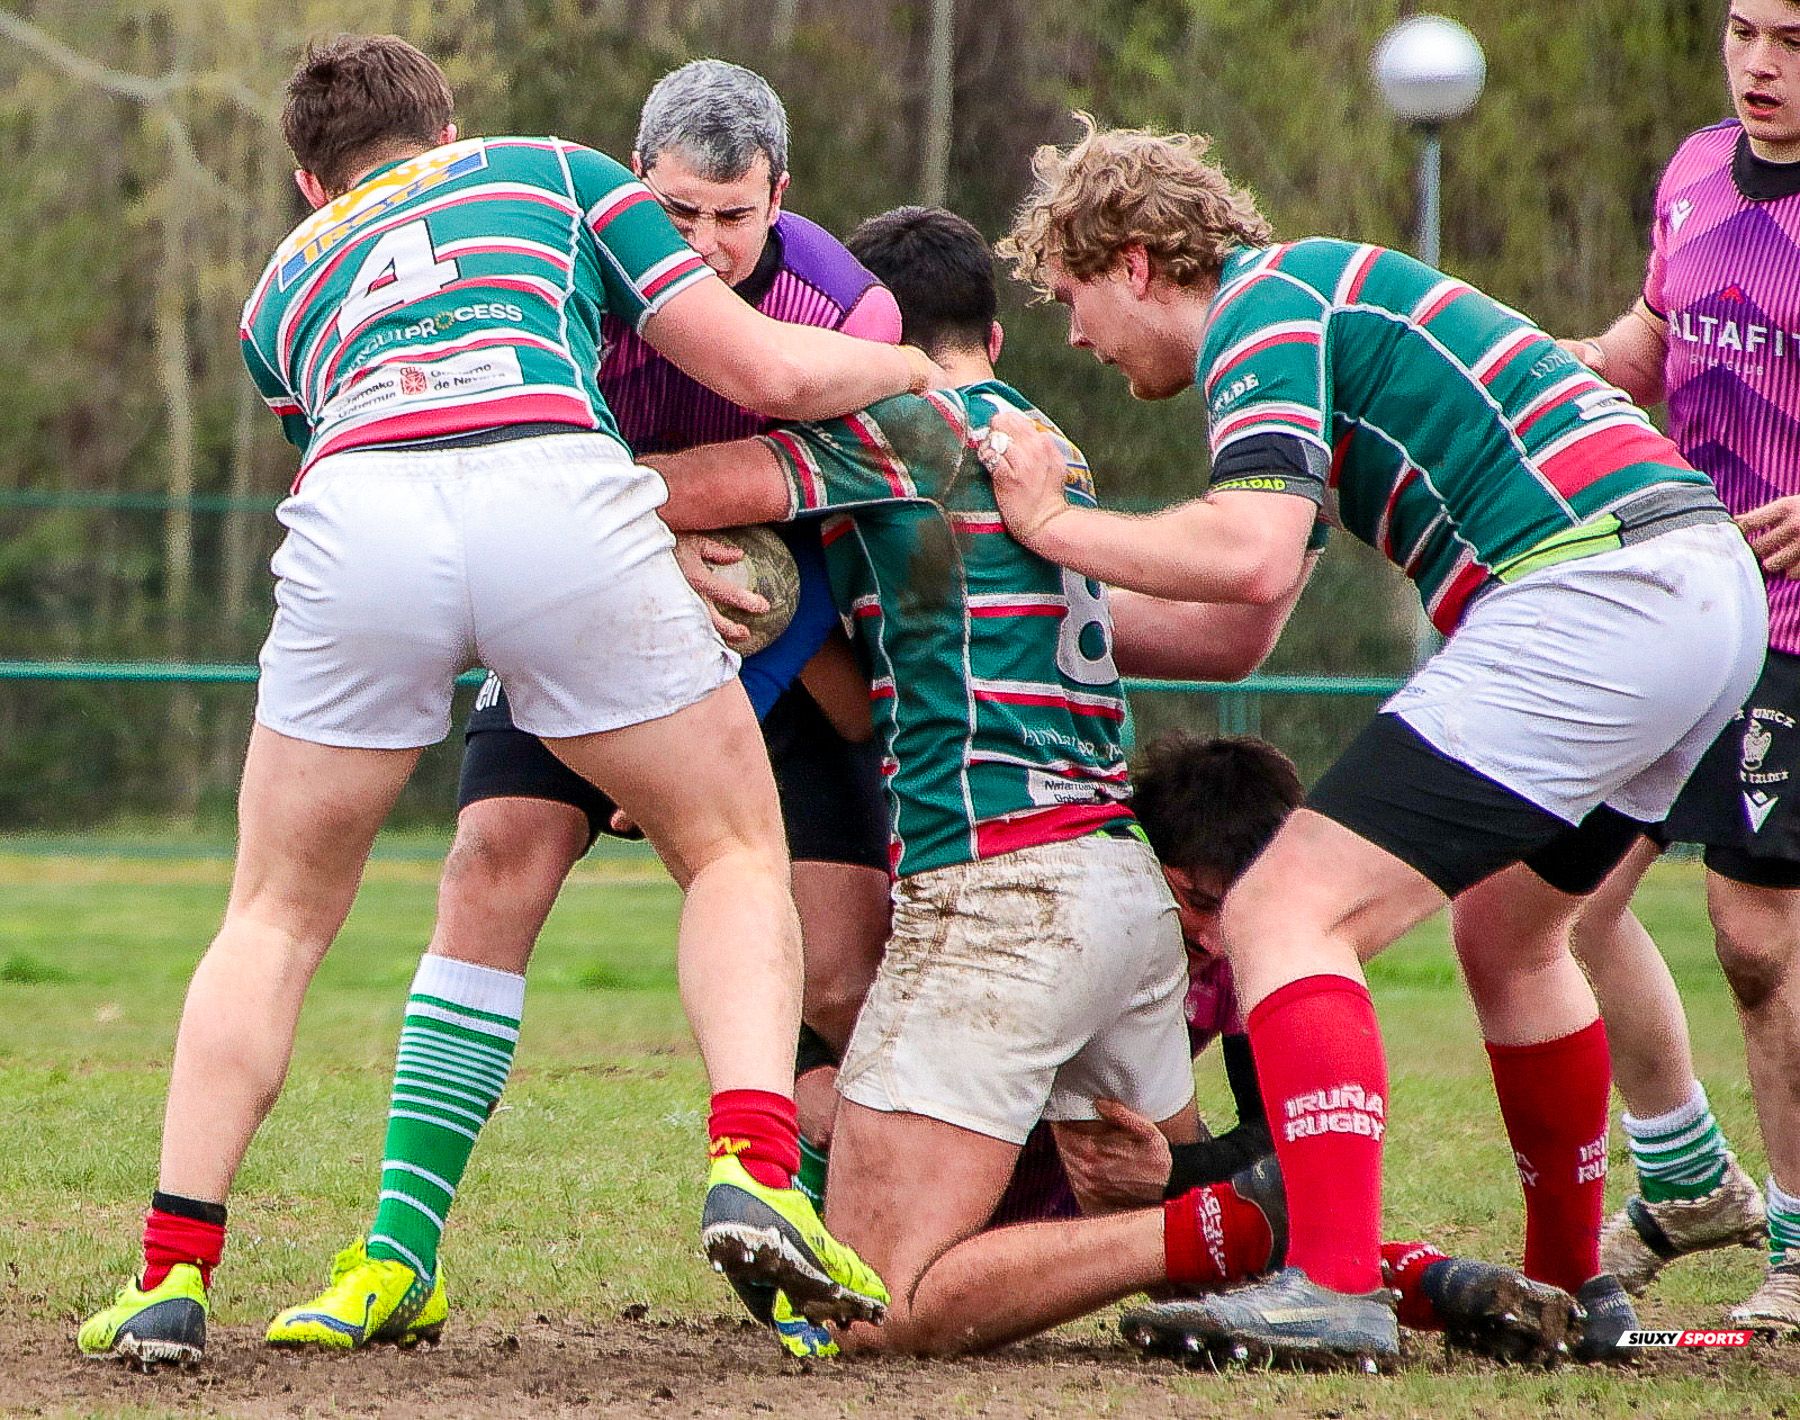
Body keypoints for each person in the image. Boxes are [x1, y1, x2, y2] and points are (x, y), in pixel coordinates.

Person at [76, 35, 943, 1368]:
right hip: (557, 494)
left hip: (360, 507)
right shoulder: (551, 171)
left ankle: (171, 1274)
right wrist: (925, 377)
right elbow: (774, 376)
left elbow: (343, 442)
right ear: (449, 128)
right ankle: (752, 1166)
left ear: (314, 182)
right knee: (726, 850)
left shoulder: (276, 292)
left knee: (275, 912)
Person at [645, 206, 1580, 1364]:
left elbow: (672, 488)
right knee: (1121, 1197)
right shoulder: (1041, 441)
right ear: (991, 327)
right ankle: (1397, 1271)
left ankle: (1245, 1217)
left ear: (867, 327)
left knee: (870, 1299)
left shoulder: (897, 420)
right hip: (1115, 887)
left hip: (1002, 890)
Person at [984, 117, 1767, 1368]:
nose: (1074, 333)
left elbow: (1241, 552)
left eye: (1074, 295)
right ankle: (1575, 1286)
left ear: (1134, 263)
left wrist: (1056, 521)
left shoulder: (1266, 306)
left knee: (1283, 908)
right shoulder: (1312, 301)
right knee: (1510, 931)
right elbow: (1241, 623)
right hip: (1698, 590)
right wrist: (1021, 626)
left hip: (1594, 589)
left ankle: (1331, 1281)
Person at [1457, 0, 1800, 1333]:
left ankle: (1795, 1241)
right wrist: (1568, 367)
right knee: (1558, 896)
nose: (1761, 64)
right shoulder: (1698, 173)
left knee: (1756, 937)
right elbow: (1659, 336)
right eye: (1743, 31)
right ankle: (1686, 1175)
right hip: (1671, 602)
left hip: (1790, 634)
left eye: (1792, 39)